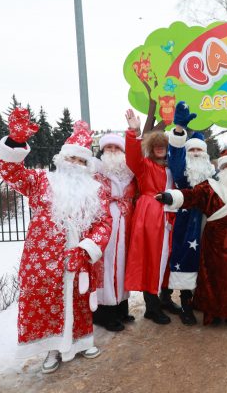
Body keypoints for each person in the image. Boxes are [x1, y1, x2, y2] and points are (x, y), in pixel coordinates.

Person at [0, 108, 111, 374]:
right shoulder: (41, 181)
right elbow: (10, 172)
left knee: (79, 301)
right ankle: (52, 348)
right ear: (62, 158)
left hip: (79, 257)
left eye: (81, 161)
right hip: (44, 259)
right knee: (48, 302)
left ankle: (81, 343)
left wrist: (87, 248)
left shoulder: (95, 191)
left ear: (87, 165)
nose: (75, 164)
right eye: (71, 158)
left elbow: (104, 223)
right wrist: (14, 141)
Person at [156, 149, 227, 325]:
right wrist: (169, 196)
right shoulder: (209, 186)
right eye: (226, 166)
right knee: (210, 276)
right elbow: (191, 195)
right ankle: (212, 314)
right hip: (213, 237)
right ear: (220, 168)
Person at [123, 109, 175, 325]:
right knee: (151, 259)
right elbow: (133, 157)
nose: (160, 148)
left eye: (163, 144)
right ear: (151, 148)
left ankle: (165, 298)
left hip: (168, 218)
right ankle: (151, 307)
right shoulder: (144, 166)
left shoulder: (172, 167)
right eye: (156, 145)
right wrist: (134, 131)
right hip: (150, 217)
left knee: (167, 259)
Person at [165, 102, 215, 325]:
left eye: (198, 150)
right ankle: (186, 303)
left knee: (207, 262)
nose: (195, 153)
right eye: (191, 150)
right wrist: (178, 129)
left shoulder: (213, 175)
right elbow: (175, 156)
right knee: (186, 260)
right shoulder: (182, 172)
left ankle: (203, 301)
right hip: (186, 223)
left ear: (205, 155)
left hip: (208, 223)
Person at [93, 133, 137, 331]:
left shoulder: (129, 172)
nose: (112, 151)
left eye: (116, 148)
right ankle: (103, 313)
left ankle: (120, 306)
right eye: (108, 148)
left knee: (122, 264)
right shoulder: (95, 171)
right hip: (105, 223)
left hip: (125, 222)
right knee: (107, 265)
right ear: (102, 151)